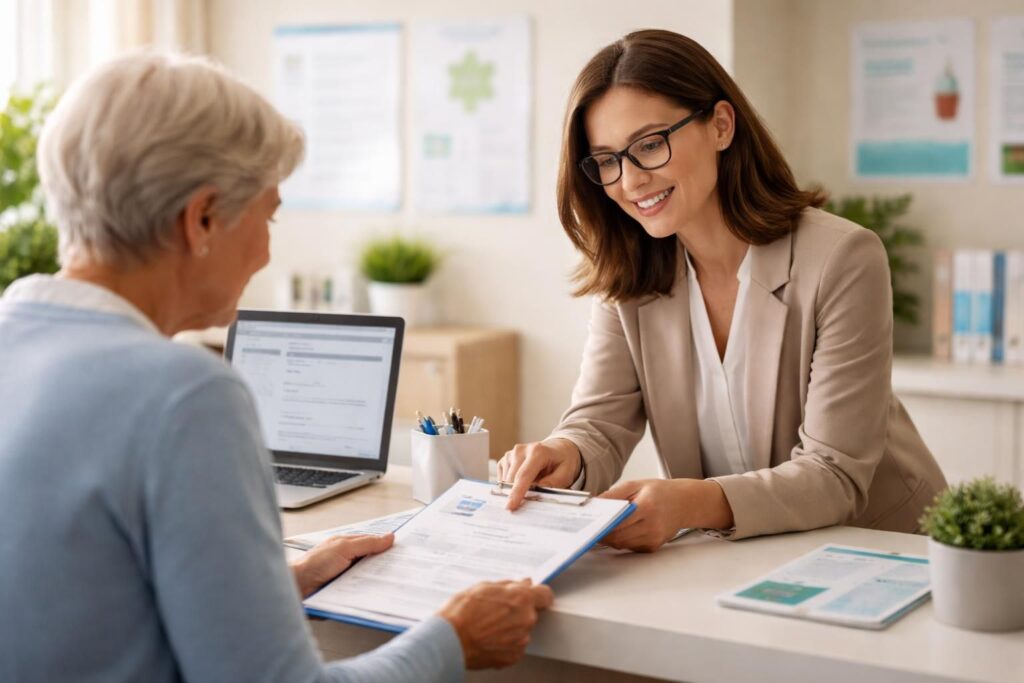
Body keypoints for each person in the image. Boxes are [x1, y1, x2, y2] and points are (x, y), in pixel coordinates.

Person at [0, 51, 551, 682]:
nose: (267, 250)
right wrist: (453, 638)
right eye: (270, 214)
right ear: (202, 219)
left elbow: (94, 608)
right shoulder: (183, 395)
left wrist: (278, 583)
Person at [498, 29, 946, 551]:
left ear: (721, 126)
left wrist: (689, 504)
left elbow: (834, 473)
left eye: (650, 144)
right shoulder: (629, 273)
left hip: (882, 549)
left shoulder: (842, 258)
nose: (631, 180)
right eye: (606, 160)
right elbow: (599, 422)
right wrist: (564, 453)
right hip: (746, 557)